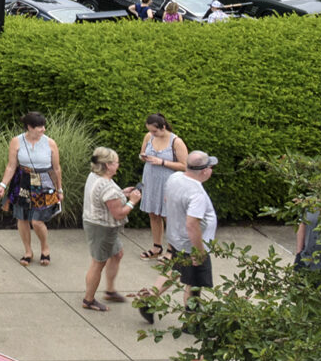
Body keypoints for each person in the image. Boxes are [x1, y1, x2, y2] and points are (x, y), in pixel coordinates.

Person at [138, 151, 221, 323]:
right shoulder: (197, 194)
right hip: (193, 246)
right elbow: (192, 224)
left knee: (175, 269)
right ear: (204, 171)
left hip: (176, 239)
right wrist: (199, 252)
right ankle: (191, 322)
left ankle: (149, 300)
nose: (211, 170)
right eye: (211, 167)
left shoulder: (175, 178)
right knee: (194, 283)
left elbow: (168, 199)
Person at [0, 110, 62, 266]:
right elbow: (11, 166)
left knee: (37, 221)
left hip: (44, 182)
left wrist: (60, 190)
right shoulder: (16, 141)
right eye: (40, 127)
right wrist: (2, 185)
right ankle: (28, 251)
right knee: (22, 218)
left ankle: (45, 248)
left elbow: (57, 168)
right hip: (22, 181)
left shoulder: (50, 143)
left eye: (44, 126)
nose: (43, 129)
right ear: (29, 127)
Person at [81, 146, 139, 311]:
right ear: (107, 165)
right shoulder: (108, 187)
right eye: (116, 162)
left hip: (97, 223)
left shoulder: (95, 176)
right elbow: (119, 213)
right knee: (98, 263)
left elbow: (106, 197)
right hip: (102, 228)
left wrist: (122, 193)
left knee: (117, 254)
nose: (118, 165)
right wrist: (132, 201)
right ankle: (89, 300)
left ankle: (110, 290)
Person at [137, 111, 190, 256]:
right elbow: (142, 153)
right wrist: (143, 157)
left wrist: (162, 162)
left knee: (169, 216)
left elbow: (185, 165)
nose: (152, 133)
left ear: (163, 127)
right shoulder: (149, 137)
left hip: (168, 183)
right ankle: (156, 246)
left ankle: (172, 249)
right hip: (151, 180)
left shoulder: (176, 142)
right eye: (150, 131)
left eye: (154, 131)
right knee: (153, 214)